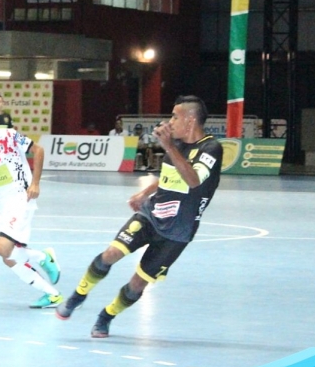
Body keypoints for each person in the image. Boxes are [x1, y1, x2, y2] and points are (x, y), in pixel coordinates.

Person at [56, 96, 223, 338]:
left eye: (175, 116)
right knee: (110, 254)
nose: (170, 121)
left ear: (190, 120)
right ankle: (78, 296)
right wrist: (145, 193)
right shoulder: (175, 145)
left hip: (177, 232)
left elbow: (193, 180)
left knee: (138, 284)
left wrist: (169, 147)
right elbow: (168, 177)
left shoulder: (211, 148)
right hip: (151, 216)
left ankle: (106, 316)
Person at [0, 100, 62, 309]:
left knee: (4, 248)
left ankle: (44, 258)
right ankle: (51, 292)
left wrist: (35, 183)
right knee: (5, 254)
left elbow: (38, 150)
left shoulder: (7, 135)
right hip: (3, 202)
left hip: (21, 197)